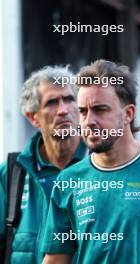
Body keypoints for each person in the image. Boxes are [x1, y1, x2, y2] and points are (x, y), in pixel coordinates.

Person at [42, 59, 140, 264]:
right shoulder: (68, 180)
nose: (89, 122)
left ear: (128, 114)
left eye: (100, 109)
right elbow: (56, 259)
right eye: (83, 112)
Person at [0, 65, 87, 263]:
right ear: (33, 117)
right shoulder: (13, 174)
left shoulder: (102, 167)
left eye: (69, 99)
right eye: (52, 103)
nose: (63, 110)